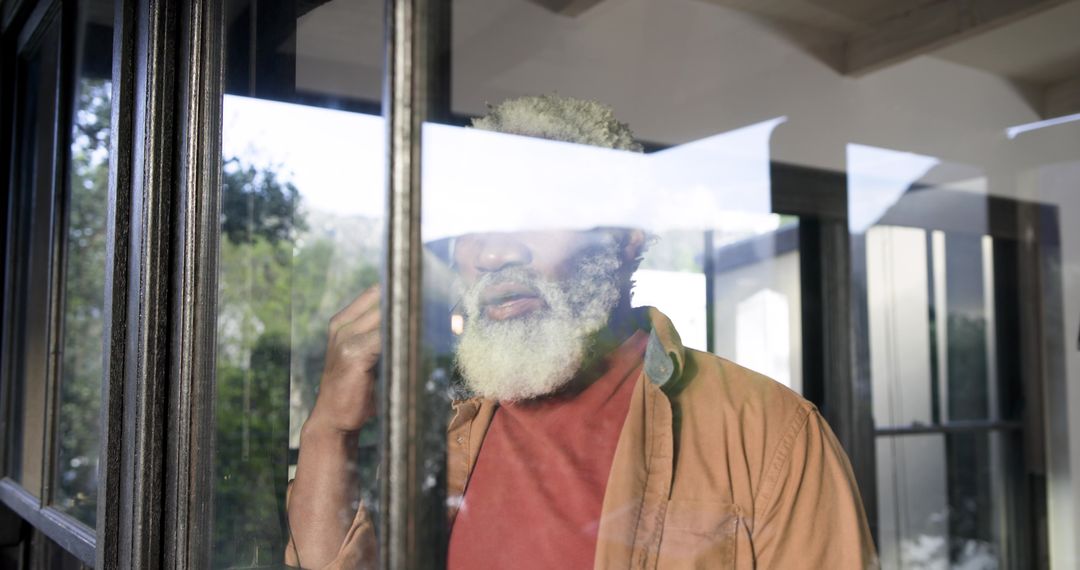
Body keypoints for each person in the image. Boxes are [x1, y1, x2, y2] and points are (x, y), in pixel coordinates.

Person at [286, 95, 878, 569]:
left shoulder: (767, 432)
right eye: (472, 224)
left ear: (624, 238)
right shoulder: (439, 429)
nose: (492, 253)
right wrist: (330, 428)